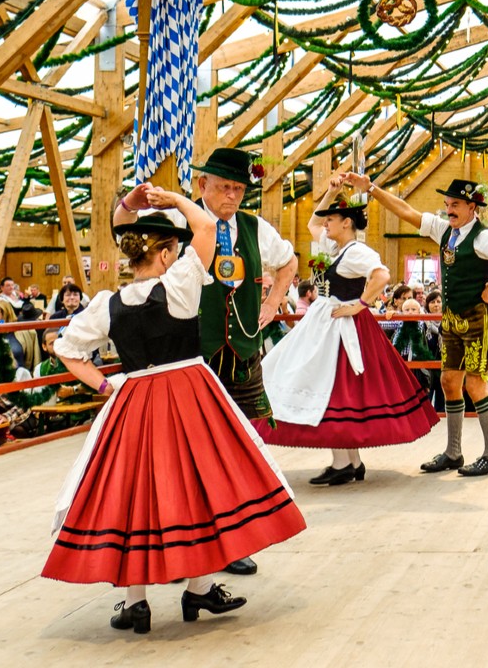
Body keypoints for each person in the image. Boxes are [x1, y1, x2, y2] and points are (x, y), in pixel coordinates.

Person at [43, 190, 306, 634]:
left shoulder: (107, 304)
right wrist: (173, 198)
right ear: (165, 254)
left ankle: (136, 602)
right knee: (201, 486)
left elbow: (67, 350)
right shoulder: (180, 283)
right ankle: (199, 588)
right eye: (174, 248)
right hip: (189, 395)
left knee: (134, 494)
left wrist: (108, 385)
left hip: (134, 400)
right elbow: (205, 228)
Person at [113, 149, 298, 577]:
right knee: (193, 450)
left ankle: (235, 537)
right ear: (202, 187)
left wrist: (273, 300)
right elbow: (122, 231)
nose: (231, 196)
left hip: (245, 350)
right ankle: (191, 537)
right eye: (223, 187)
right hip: (192, 354)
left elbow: (288, 263)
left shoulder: (255, 227)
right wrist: (128, 203)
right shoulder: (179, 221)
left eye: (238, 189)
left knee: (247, 445)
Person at [345, 171, 488, 478]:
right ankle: (454, 452)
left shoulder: (485, 237)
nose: (449, 209)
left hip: (479, 318)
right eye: (447, 204)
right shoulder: (444, 230)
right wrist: (373, 189)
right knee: (448, 382)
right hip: (452, 318)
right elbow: (406, 211)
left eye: (456, 204)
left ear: (473, 207)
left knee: (475, 383)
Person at [255, 180, 438, 485]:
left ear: (347, 223)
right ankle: (351, 461)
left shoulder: (355, 252)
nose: (325, 224)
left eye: (331, 220)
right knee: (334, 388)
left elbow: (382, 275)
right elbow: (313, 222)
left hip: (342, 327)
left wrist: (360, 304)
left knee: (336, 389)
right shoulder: (337, 248)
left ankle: (344, 462)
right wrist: (329, 192)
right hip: (328, 323)